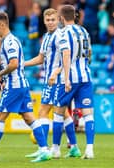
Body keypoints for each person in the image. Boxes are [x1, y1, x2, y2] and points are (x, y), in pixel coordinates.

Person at [0, 12, 52, 163]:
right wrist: (4, 77)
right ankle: (44, 149)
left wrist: (0, 73)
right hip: (20, 85)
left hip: (15, 86)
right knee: (29, 117)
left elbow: (13, 64)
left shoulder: (9, 42)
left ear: (2, 25)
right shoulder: (10, 40)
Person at [24, 8, 81, 159]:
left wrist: (56, 72)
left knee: (43, 112)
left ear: (58, 20)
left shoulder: (60, 35)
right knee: (64, 114)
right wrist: (23, 64)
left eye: (53, 20)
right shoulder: (47, 36)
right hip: (49, 79)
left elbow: (68, 57)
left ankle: (44, 149)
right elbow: (40, 58)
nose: (50, 22)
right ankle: (74, 147)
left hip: (56, 80)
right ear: (44, 21)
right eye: (48, 20)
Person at [51, 5, 95, 159]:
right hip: (85, 77)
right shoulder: (84, 31)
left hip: (69, 79)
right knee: (88, 114)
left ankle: (55, 149)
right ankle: (89, 150)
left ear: (62, 18)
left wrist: (67, 78)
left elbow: (66, 54)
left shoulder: (63, 33)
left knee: (58, 113)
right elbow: (89, 53)